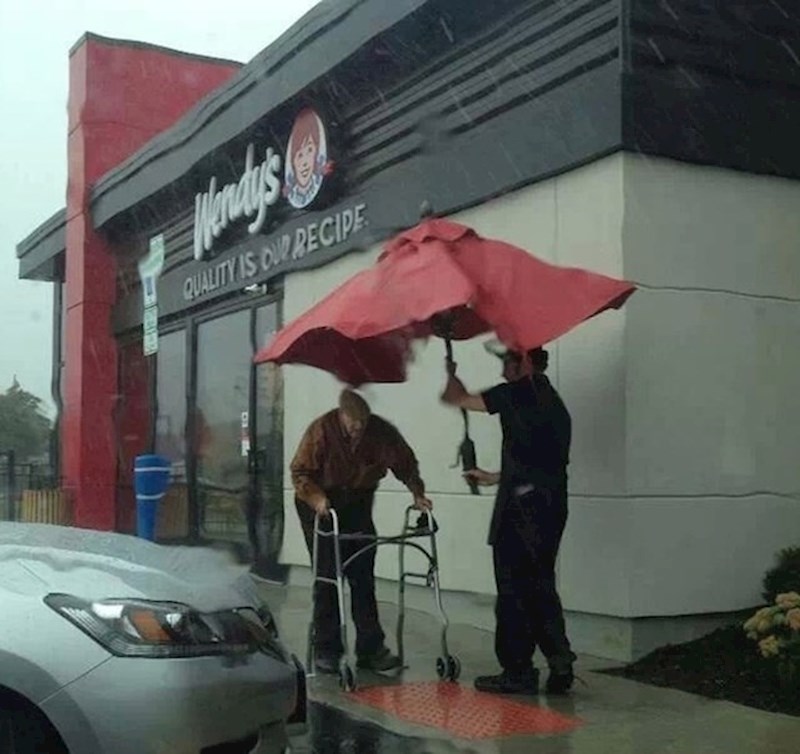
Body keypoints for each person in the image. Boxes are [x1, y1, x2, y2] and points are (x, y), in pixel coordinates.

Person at [441, 346, 577, 695]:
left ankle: (518, 671)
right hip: (550, 507)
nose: (502, 370)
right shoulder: (555, 403)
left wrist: (451, 371)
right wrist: (495, 476)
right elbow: (542, 463)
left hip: (520, 512)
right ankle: (560, 661)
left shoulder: (515, 392)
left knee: (514, 589)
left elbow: (456, 398)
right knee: (541, 584)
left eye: (507, 362)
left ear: (525, 363)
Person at [291, 389, 432, 674]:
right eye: (353, 422)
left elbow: (405, 462)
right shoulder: (321, 430)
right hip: (320, 503)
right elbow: (300, 472)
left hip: (357, 502)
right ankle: (326, 649)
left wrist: (417, 492)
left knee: (363, 575)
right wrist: (317, 497)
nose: (358, 428)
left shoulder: (380, 431)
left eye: (363, 422)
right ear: (341, 415)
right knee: (328, 575)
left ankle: (371, 648)